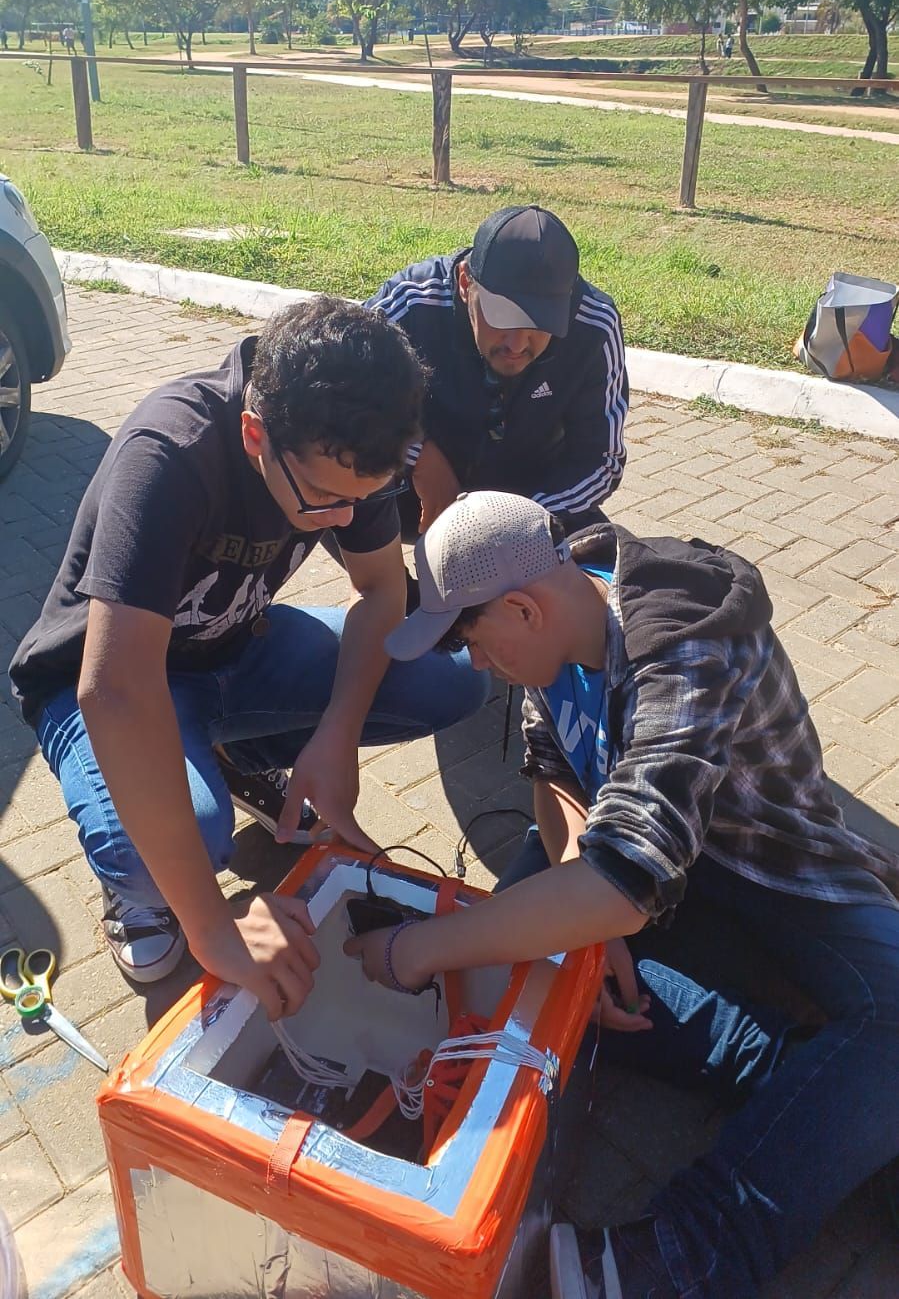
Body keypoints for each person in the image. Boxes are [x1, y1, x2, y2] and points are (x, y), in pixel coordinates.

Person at [345, 491, 899, 1299]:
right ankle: (824, 1095)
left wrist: (413, 949)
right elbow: (558, 774)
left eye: (472, 641)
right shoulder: (556, 620)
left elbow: (629, 875)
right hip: (652, 869)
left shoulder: (685, 642)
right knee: (536, 964)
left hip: (779, 871)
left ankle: (687, 1253)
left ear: (521, 607)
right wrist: (582, 914)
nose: (475, 665)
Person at [9, 299, 489, 1014]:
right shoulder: (171, 450)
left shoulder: (349, 442)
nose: (341, 518)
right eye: (323, 500)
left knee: (450, 679)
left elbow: (383, 591)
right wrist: (210, 926)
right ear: (255, 433)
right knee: (177, 849)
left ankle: (228, 760)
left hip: (234, 653)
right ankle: (140, 883)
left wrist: (336, 737)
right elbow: (113, 691)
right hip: (112, 680)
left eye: (360, 500)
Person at [366, 206, 628, 540]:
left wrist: (521, 523)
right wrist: (415, 451)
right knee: (336, 480)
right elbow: (336, 389)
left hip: (532, 497)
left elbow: (602, 461)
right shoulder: (412, 302)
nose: (517, 344)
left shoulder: (594, 324)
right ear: (465, 283)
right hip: (409, 494)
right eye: (501, 317)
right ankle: (392, 588)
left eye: (539, 324)